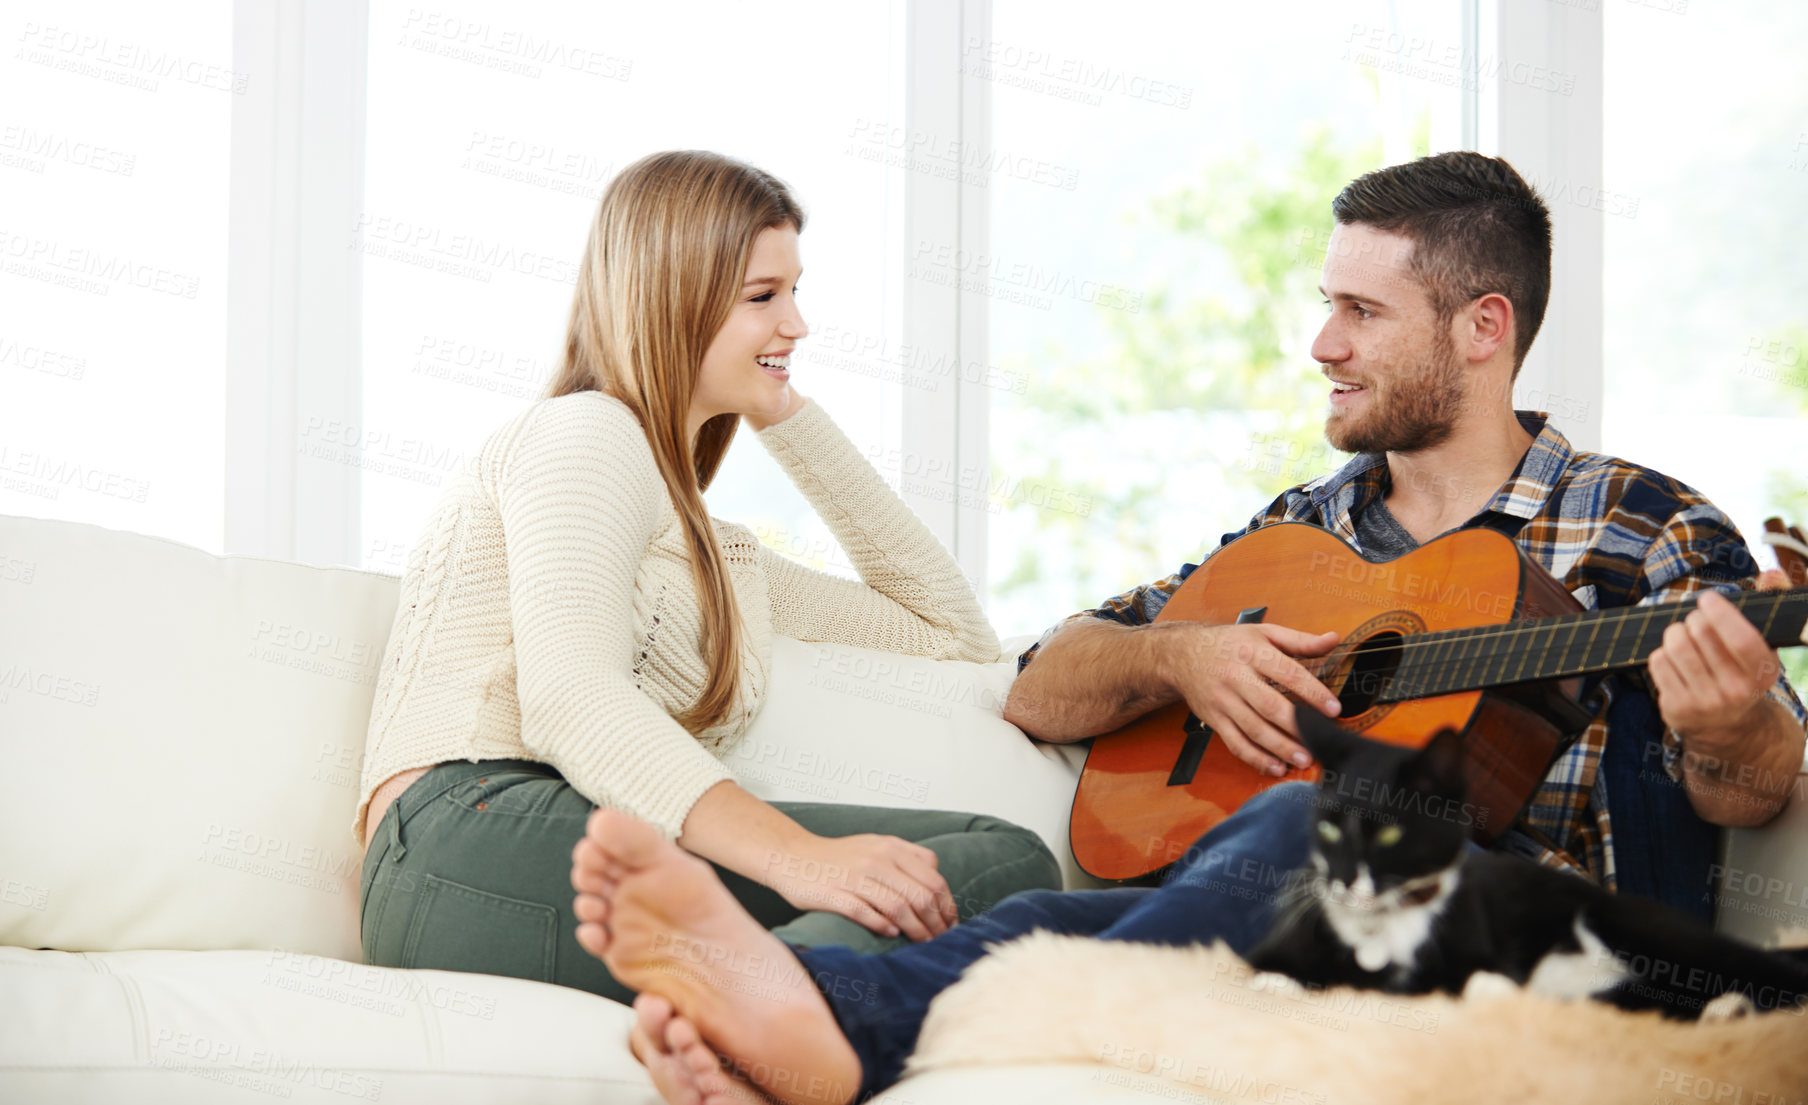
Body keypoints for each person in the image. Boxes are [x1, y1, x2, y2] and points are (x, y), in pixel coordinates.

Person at [567, 151, 1808, 1105]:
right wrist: (1180, 653)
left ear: (1480, 329)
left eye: (1360, 313)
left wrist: (1729, 724)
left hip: (1572, 961)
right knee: (1040, 916)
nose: (1319, 343)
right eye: (1325, 304)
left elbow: (1749, 789)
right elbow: (1037, 685)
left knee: (1304, 821)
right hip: (1308, 922)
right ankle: (814, 1022)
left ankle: (821, 1013)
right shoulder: (1300, 533)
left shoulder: (1640, 525)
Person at [355, 150, 1062, 1006]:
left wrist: (787, 416)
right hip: (463, 839)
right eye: (763, 297)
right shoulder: (584, 435)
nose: (796, 323)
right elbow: (569, 696)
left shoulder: (710, 554)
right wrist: (799, 857)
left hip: (569, 835)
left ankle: (776, 1019)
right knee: (991, 868)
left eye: (795, 292)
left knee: (999, 859)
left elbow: (949, 635)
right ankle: (786, 1006)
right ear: (670, 300)